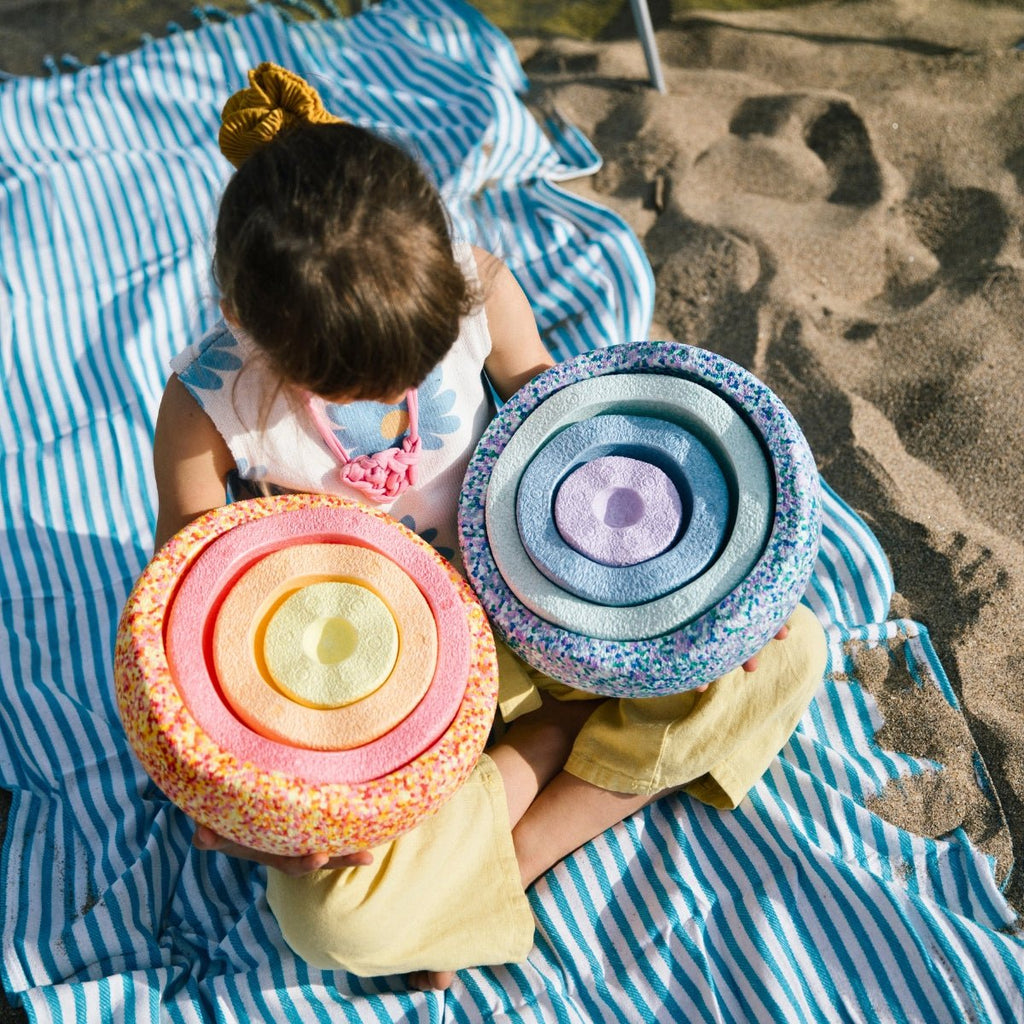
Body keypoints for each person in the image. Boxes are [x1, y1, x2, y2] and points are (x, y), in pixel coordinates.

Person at [153, 63, 827, 992]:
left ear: (443, 253)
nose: (399, 397)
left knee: (789, 646)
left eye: (418, 368)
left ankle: (513, 860)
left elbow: (571, 437)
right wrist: (250, 808)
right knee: (329, 914)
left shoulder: (480, 289)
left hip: (540, 600)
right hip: (375, 680)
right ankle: (561, 743)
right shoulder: (205, 409)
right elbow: (184, 628)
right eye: (360, 390)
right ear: (241, 321)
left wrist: (706, 605)